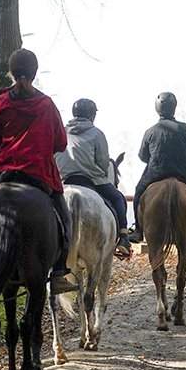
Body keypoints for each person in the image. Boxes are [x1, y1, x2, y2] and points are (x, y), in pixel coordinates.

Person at [0, 49, 78, 293]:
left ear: (11, 72)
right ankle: (60, 272)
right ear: (34, 73)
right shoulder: (46, 105)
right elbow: (60, 143)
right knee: (65, 219)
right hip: (39, 175)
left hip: (4, 172)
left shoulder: (1, 102)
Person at [128, 92, 186, 246]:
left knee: (138, 192)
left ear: (157, 109)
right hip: (183, 173)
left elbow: (142, 156)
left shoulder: (150, 131)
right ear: (174, 108)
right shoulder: (185, 128)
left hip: (155, 173)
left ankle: (138, 230)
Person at [54, 98, 132, 258]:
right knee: (118, 199)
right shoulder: (97, 133)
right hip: (91, 180)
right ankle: (124, 238)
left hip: (63, 180)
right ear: (92, 115)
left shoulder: (60, 131)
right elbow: (103, 163)